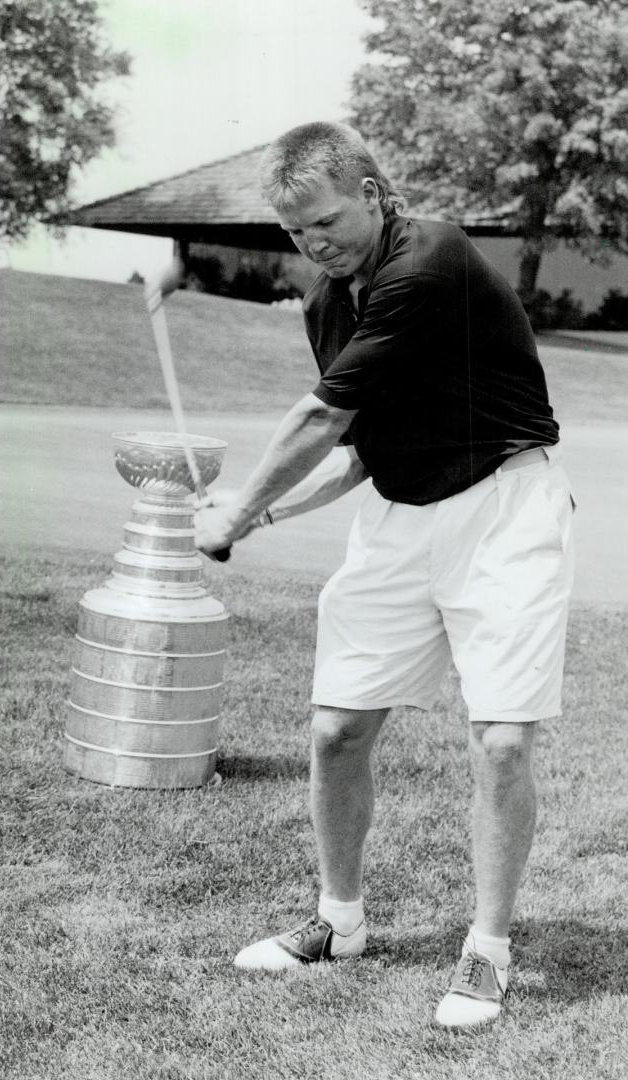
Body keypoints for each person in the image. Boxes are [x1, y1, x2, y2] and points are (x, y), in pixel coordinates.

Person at [195, 121, 575, 1028]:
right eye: (294, 233)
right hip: (399, 518)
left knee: (502, 743)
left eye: (324, 221)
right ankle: (338, 922)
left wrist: (236, 509)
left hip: (505, 509)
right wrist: (274, 513)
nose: (312, 244)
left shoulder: (430, 261)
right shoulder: (332, 302)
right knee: (335, 730)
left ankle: (486, 952)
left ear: (374, 191)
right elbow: (362, 447)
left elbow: (319, 418)